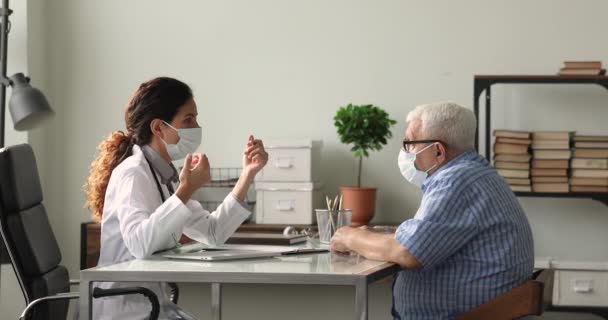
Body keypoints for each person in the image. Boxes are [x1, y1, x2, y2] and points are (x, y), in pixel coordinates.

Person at [84, 77, 268, 319]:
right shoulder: (133, 173)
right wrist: (185, 190)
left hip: (149, 304)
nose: (196, 126)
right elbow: (139, 244)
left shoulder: (163, 175)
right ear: (159, 128)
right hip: (125, 309)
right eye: (188, 119)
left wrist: (248, 173)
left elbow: (213, 232)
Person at [330, 102, 534, 319]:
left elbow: (408, 252)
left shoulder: (456, 181)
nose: (405, 151)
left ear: (438, 150)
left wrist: (351, 236)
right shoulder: (474, 174)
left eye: (409, 143)